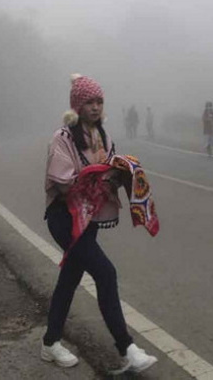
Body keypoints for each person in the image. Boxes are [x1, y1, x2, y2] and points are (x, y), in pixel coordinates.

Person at [41, 74, 158, 373]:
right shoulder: (63, 138)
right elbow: (65, 183)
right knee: (106, 273)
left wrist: (122, 175)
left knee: (69, 280)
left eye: (99, 102)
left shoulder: (104, 137)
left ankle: (50, 343)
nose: (95, 107)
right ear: (77, 105)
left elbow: (107, 180)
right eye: (89, 102)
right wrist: (100, 173)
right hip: (65, 219)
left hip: (88, 219)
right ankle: (127, 349)